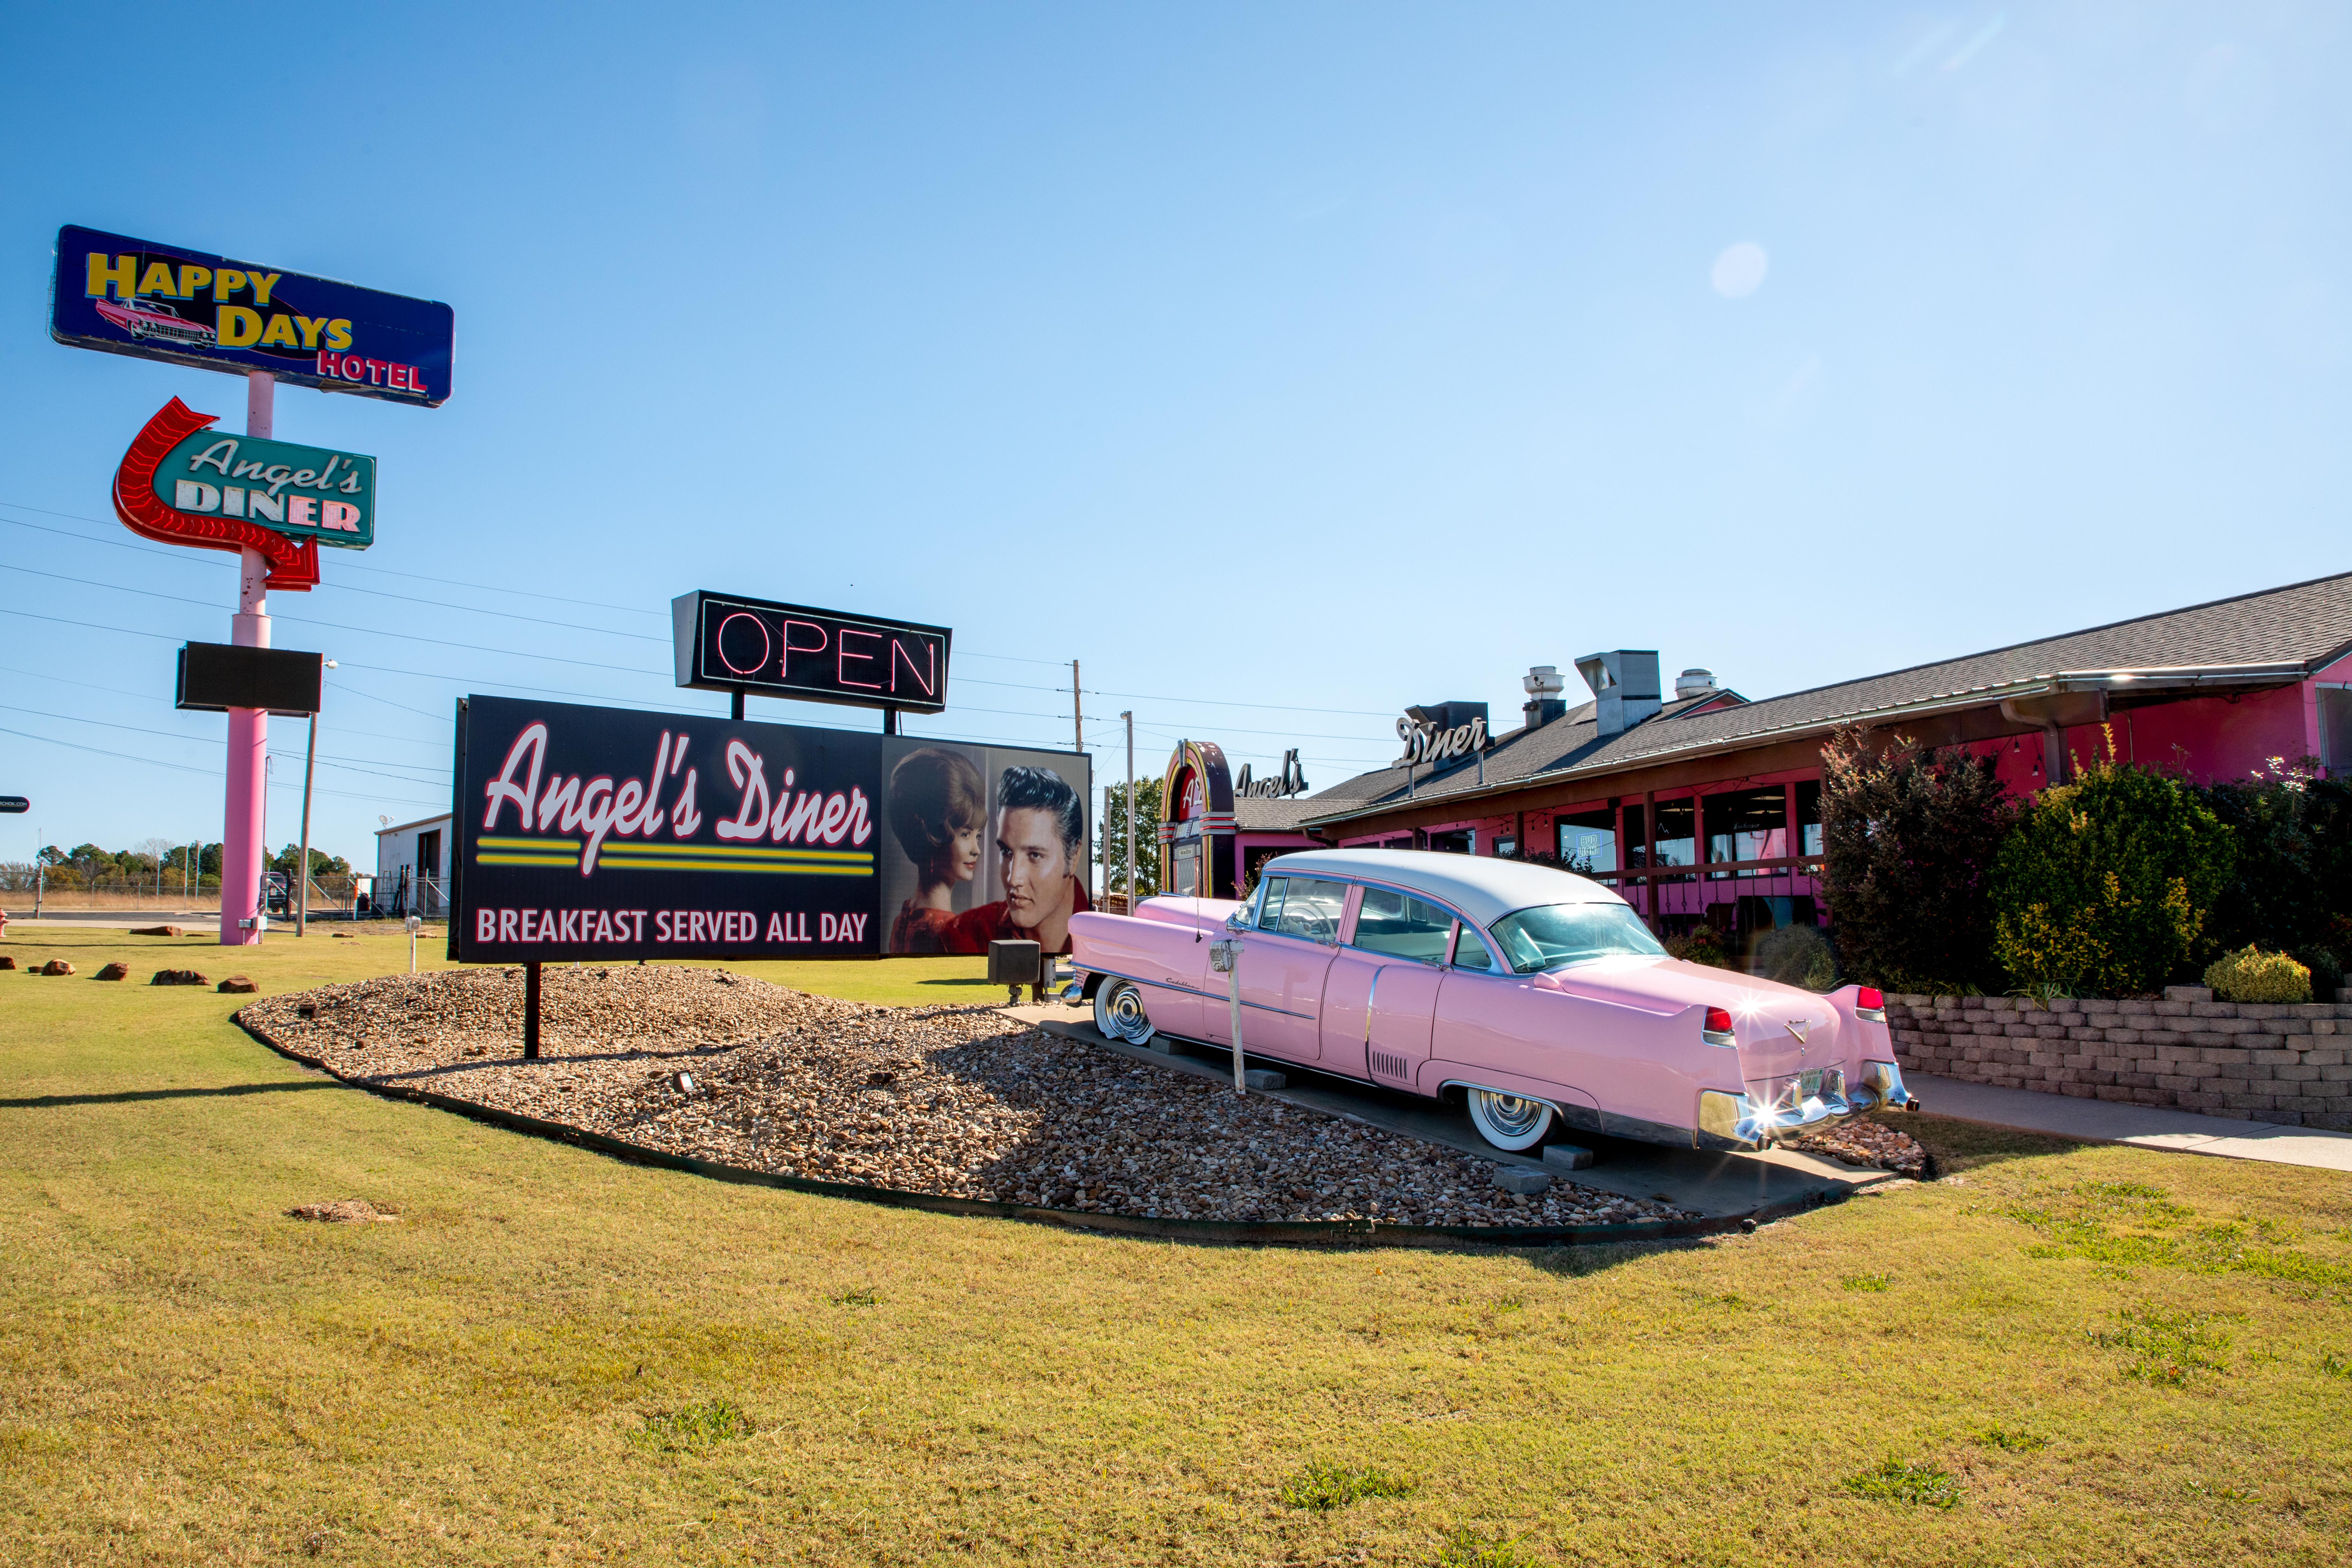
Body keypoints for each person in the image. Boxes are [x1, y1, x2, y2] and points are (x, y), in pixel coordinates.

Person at [944, 765, 1092, 957]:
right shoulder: (963, 935)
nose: (1013, 879)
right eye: (1006, 851)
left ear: (1073, 857)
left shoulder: (1104, 944)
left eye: (1035, 855)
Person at [886, 747, 986, 954]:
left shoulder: (902, 919)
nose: (977, 850)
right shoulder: (950, 933)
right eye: (965, 835)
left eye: (978, 836)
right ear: (932, 835)